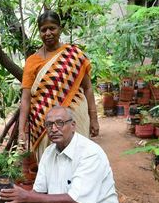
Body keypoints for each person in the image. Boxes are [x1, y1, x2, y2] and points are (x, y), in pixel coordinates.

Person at [0, 106, 121, 203]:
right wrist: (15, 200)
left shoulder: (90, 153)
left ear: (73, 125)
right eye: (49, 124)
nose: (54, 128)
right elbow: (38, 191)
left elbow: (75, 202)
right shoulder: (49, 152)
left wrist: (25, 196)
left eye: (60, 123)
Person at [18, 10, 99, 161]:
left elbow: (87, 87)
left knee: (78, 162)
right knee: (50, 166)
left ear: (60, 29)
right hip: (43, 124)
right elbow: (26, 98)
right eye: (43, 30)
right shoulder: (32, 61)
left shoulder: (74, 54)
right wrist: (21, 130)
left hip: (74, 116)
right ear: (39, 32)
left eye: (52, 28)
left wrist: (94, 117)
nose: (48, 33)